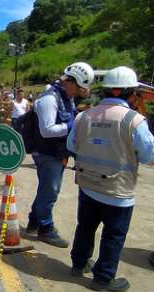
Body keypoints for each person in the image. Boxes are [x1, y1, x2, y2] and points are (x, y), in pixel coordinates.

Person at [68, 66, 154, 292]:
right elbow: (147, 156)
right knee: (114, 234)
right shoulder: (134, 120)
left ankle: (78, 264)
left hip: (88, 185)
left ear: (107, 90)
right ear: (127, 92)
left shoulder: (84, 116)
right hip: (118, 191)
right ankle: (103, 278)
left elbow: (71, 145)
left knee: (86, 227)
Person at [26, 62, 94, 247]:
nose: (79, 91)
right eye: (79, 88)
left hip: (57, 152)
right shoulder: (50, 99)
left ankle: (34, 221)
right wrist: (74, 125)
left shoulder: (66, 97)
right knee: (50, 191)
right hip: (47, 153)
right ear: (70, 82)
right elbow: (47, 130)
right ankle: (45, 228)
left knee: (46, 189)